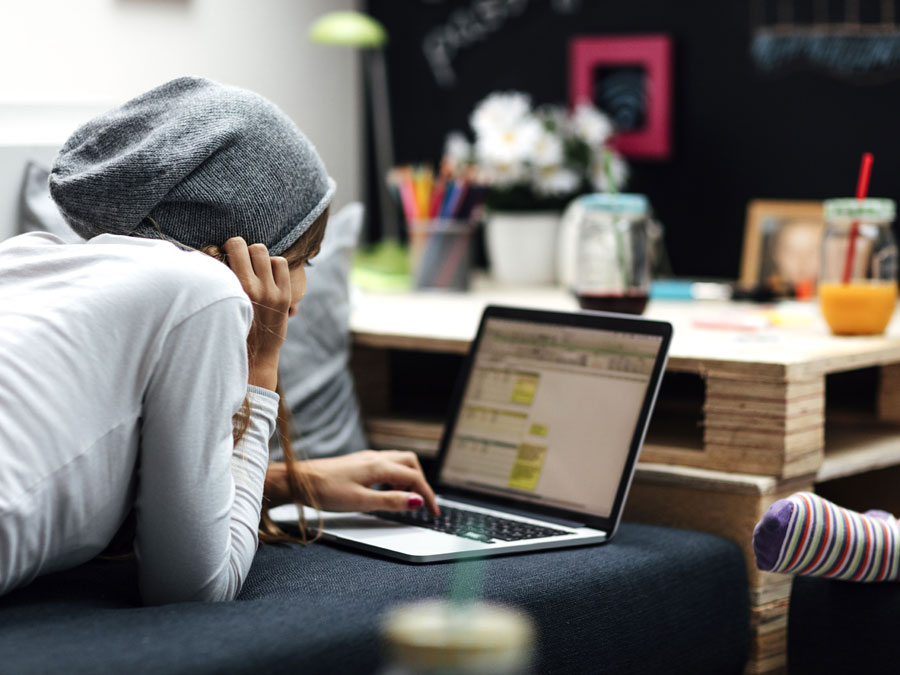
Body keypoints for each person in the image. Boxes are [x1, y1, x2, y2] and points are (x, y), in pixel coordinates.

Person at [0, 76, 437, 605]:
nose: (299, 293)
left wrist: (287, 483)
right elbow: (195, 586)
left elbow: (80, 478)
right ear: (245, 255)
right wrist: (261, 367)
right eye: (304, 261)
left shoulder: (24, 258)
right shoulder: (200, 290)